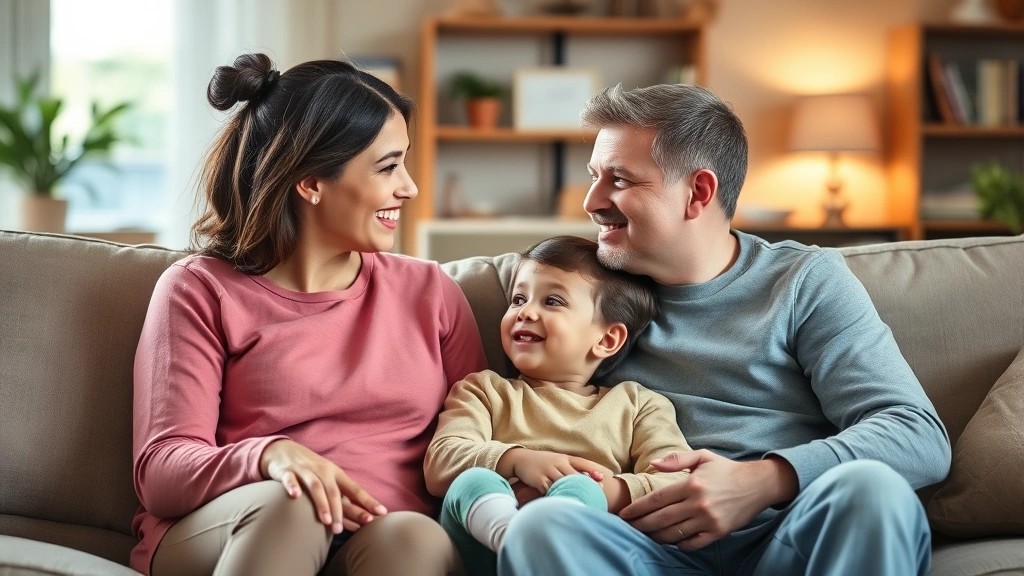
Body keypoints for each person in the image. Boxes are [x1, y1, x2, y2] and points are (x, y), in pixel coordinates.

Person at [497, 84, 952, 576]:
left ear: (698, 193)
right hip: (644, 551)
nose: (591, 200)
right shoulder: (583, 291)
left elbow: (916, 435)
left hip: (785, 541)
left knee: (873, 490)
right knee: (542, 527)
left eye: (620, 180)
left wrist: (764, 480)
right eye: (593, 176)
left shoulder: (803, 281)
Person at [131, 53, 487, 576]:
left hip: (382, 535)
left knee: (414, 537)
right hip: (238, 527)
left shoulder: (431, 293)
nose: (409, 187)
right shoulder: (199, 289)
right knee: (295, 502)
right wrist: (268, 457)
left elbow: (479, 436)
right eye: (388, 167)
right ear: (311, 182)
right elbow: (163, 469)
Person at [423, 235, 692, 576]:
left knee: (581, 487)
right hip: (483, 554)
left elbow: (676, 482)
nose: (526, 311)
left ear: (606, 339)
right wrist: (517, 460)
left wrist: (607, 490)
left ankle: (546, 538)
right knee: (472, 481)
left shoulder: (638, 405)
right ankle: (517, 540)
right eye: (518, 299)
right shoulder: (484, 390)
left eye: (552, 301)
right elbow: (441, 461)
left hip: (577, 554)